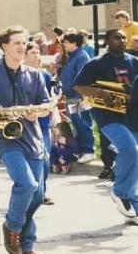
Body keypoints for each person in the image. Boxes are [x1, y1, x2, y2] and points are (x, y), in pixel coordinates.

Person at [0, 25, 50, 254]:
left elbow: (45, 104)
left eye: (24, 42)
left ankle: (25, 250)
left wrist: (37, 112)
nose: (22, 46)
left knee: (37, 194)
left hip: (33, 138)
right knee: (26, 184)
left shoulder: (36, 75)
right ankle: (13, 228)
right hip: (6, 139)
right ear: (4, 46)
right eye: (16, 42)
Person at [74, 28, 138, 225]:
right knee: (130, 149)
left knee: (134, 155)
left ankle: (132, 200)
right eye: (117, 37)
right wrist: (102, 94)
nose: (122, 40)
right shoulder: (96, 63)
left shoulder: (133, 61)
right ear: (107, 41)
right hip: (107, 116)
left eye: (123, 37)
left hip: (132, 115)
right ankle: (120, 192)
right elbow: (79, 85)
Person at [24, 42, 54, 205]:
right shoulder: (19, 75)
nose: (37, 56)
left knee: (45, 158)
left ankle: (41, 192)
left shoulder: (45, 76)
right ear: (25, 55)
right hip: (26, 125)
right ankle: (33, 192)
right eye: (33, 53)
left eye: (38, 52)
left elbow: (50, 100)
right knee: (32, 159)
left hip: (43, 123)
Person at [58, 32, 95, 164]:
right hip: (71, 96)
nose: (64, 44)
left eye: (66, 42)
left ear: (74, 43)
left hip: (78, 96)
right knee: (76, 123)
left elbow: (82, 77)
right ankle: (80, 149)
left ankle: (89, 151)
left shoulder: (81, 56)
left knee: (83, 122)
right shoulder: (72, 56)